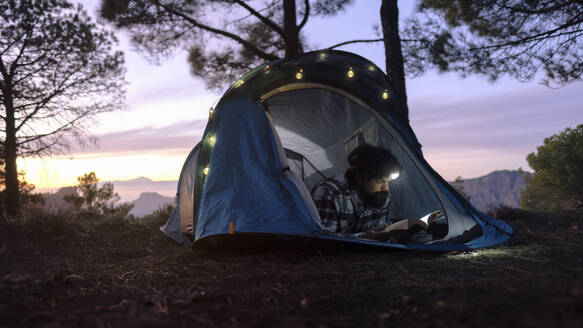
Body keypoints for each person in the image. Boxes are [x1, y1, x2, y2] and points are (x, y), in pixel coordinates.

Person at [311, 144, 403, 235]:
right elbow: (322, 241)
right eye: (379, 181)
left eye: (388, 182)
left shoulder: (381, 196)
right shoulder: (329, 193)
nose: (386, 188)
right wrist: (365, 238)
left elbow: (380, 231)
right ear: (359, 177)